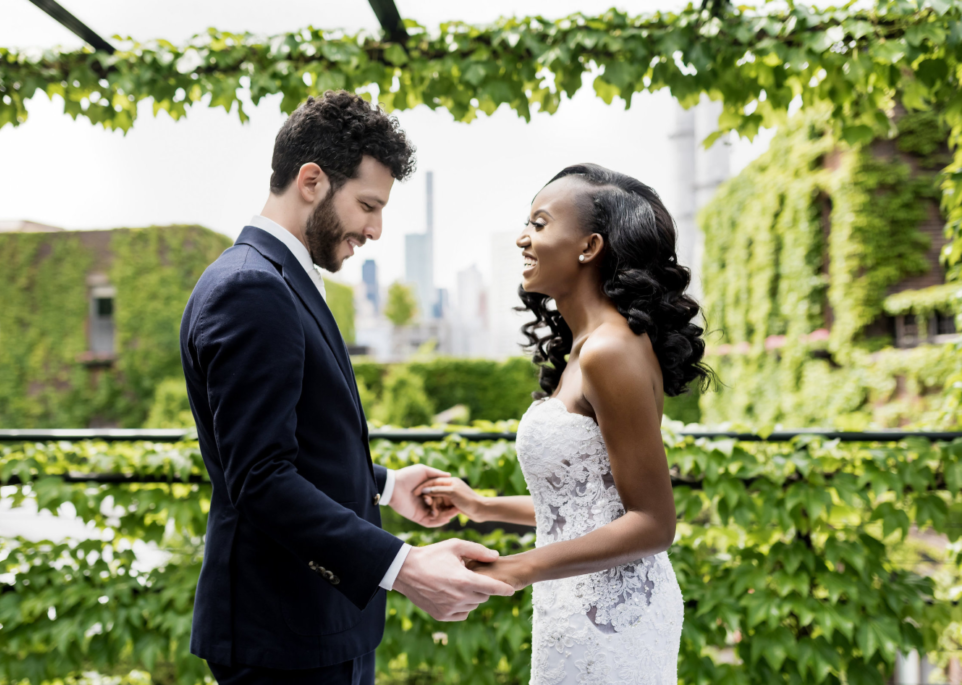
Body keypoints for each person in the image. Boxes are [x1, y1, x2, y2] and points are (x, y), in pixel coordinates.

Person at [179, 90, 514, 685]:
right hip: (283, 637)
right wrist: (403, 564)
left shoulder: (273, 278)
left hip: (313, 626)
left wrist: (383, 486)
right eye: (367, 204)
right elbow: (259, 479)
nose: (377, 229)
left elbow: (290, 444)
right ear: (311, 180)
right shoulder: (251, 288)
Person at [416, 164, 713, 684]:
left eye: (539, 222)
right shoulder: (590, 347)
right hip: (577, 603)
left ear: (589, 246)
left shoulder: (610, 351)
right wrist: (480, 506)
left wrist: (516, 568)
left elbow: (653, 521)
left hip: (613, 618)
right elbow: (587, 507)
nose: (522, 237)